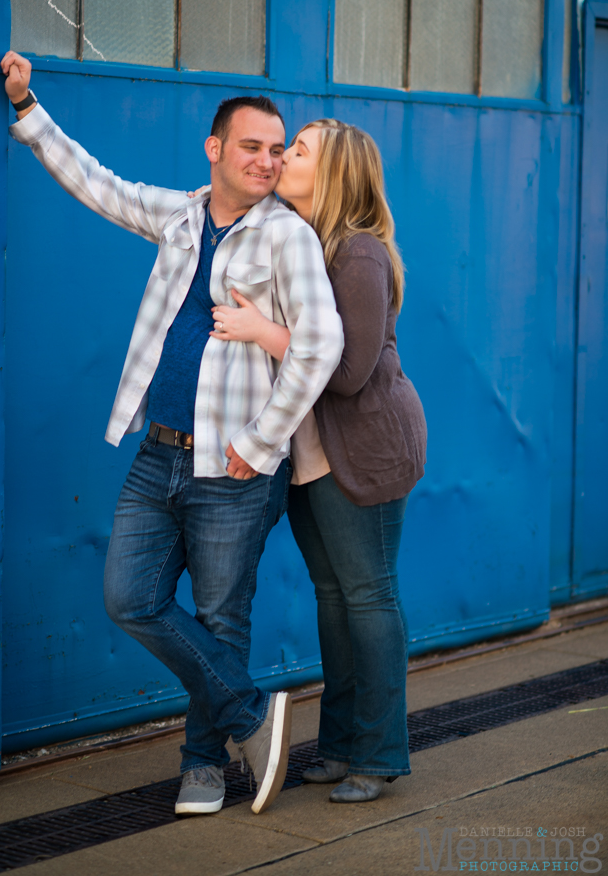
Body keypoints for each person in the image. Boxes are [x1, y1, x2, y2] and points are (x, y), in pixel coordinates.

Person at [0, 52, 344, 816]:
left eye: (277, 149)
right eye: (251, 146)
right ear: (215, 149)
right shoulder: (181, 214)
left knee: (222, 618)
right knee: (130, 597)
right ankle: (252, 717)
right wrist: (28, 111)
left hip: (236, 466)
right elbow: (98, 184)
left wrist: (260, 444)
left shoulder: (287, 237)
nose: (267, 160)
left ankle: (201, 767)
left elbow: (321, 346)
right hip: (158, 453)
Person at [209, 119, 427, 803]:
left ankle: (380, 754)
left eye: (296, 150)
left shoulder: (357, 253)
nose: (280, 158)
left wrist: (262, 331)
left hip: (363, 449)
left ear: (331, 172)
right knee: (334, 599)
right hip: (310, 454)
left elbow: (351, 371)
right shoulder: (303, 241)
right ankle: (339, 746)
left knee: (367, 597)